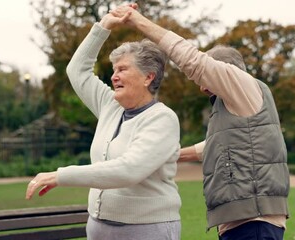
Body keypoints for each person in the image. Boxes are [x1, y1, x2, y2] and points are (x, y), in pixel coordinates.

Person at [112, 4, 290, 240]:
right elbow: (214, 146)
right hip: (243, 222)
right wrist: (165, 154)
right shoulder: (234, 104)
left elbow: (192, 60)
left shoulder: (244, 86)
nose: (200, 84)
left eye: (209, 74)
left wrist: (137, 21)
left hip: (253, 223)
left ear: (226, 72)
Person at [25, 10, 182, 240]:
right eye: (114, 70)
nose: (114, 76)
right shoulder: (110, 106)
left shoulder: (162, 119)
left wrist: (60, 176)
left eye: (123, 69)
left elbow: (128, 170)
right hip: (98, 227)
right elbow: (77, 70)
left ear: (148, 77)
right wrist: (104, 26)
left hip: (147, 229)